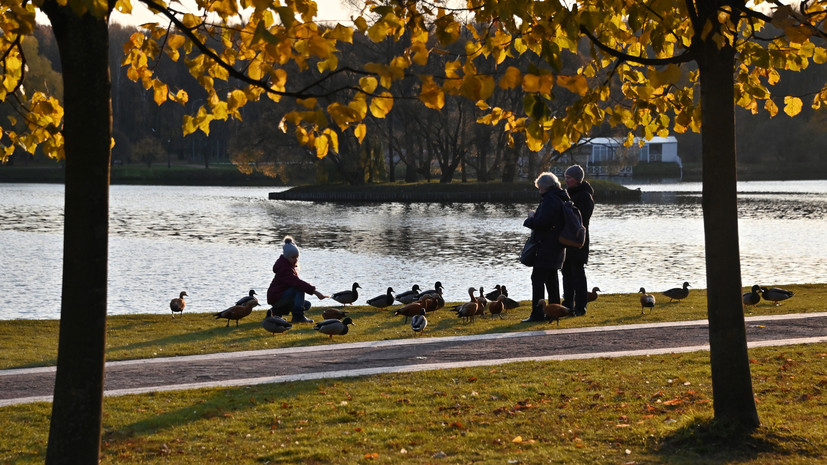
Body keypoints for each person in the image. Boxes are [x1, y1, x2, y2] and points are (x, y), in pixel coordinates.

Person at [522, 172, 570, 322]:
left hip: (546, 246)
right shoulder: (560, 197)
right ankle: (554, 312)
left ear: (544, 187)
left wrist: (530, 219)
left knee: (537, 279)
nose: (539, 190)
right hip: (557, 246)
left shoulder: (550, 199)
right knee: (551, 280)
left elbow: (543, 223)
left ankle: (537, 314)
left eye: (539, 188)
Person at [266, 236, 328, 323]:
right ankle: (298, 317)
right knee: (299, 289)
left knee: (306, 305)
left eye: (297, 257)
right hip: (276, 298)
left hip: (278, 297)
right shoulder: (284, 269)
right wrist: (316, 292)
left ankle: (277, 311)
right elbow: (298, 283)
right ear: (287, 257)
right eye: (293, 258)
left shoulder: (287, 265)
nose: (295, 260)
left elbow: (295, 282)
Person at [561, 164, 595, 316]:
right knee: (566, 272)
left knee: (578, 273)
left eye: (569, 178)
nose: (566, 180)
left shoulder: (584, 196)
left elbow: (582, 219)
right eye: (566, 177)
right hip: (566, 240)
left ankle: (581, 306)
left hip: (578, 240)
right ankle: (567, 303)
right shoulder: (568, 194)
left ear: (577, 179)